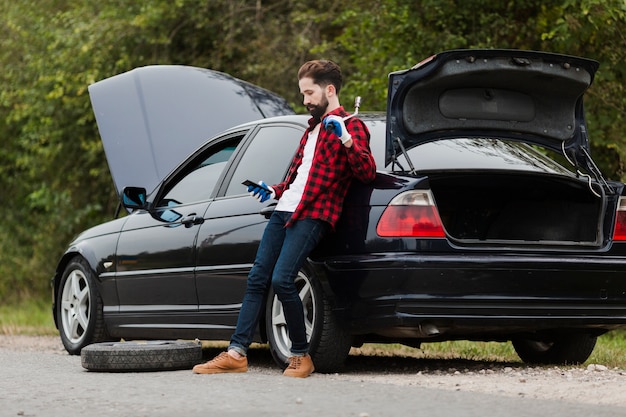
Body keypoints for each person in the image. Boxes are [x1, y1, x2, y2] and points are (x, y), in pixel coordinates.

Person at [192, 60, 377, 378]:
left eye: (309, 92)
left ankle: (301, 355)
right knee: (257, 279)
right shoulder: (310, 130)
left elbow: (367, 171)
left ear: (329, 90)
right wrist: (272, 189)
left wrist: (346, 139)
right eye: (302, 92)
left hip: (313, 214)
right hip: (284, 210)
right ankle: (236, 353)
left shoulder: (352, 126)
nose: (305, 99)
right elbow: (296, 179)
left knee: (282, 279)